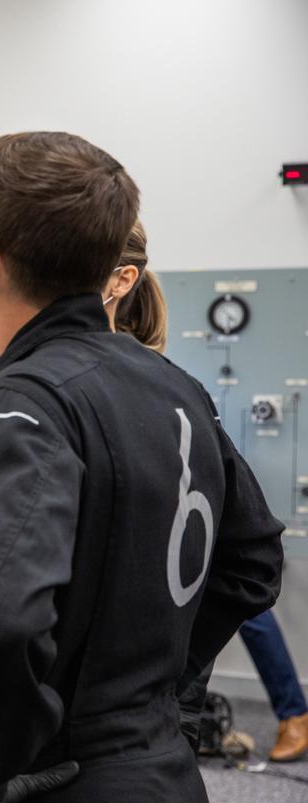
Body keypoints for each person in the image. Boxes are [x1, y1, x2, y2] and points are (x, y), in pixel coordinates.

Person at [0, 131, 284, 803]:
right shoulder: (172, 384)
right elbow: (253, 560)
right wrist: (159, 695)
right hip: (169, 789)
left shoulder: (23, 402)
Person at [103, 221, 308, 764]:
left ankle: (293, 712)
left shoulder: (160, 387)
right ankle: (293, 710)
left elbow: (256, 556)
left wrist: (182, 663)